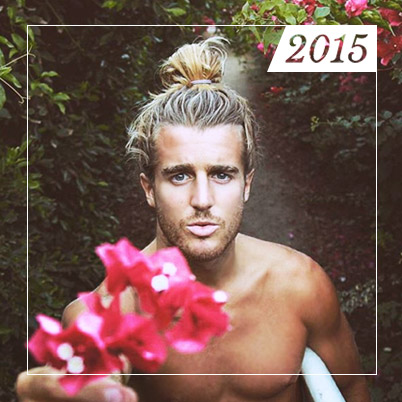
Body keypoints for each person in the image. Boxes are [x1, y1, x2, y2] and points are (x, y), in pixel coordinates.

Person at [17, 36, 371, 402]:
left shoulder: (301, 285)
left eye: (222, 174)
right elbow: (92, 373)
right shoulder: (112, 310)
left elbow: (351, 388)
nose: (202, 200)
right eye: (180, 175)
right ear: (149, 189)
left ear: (247, 185)